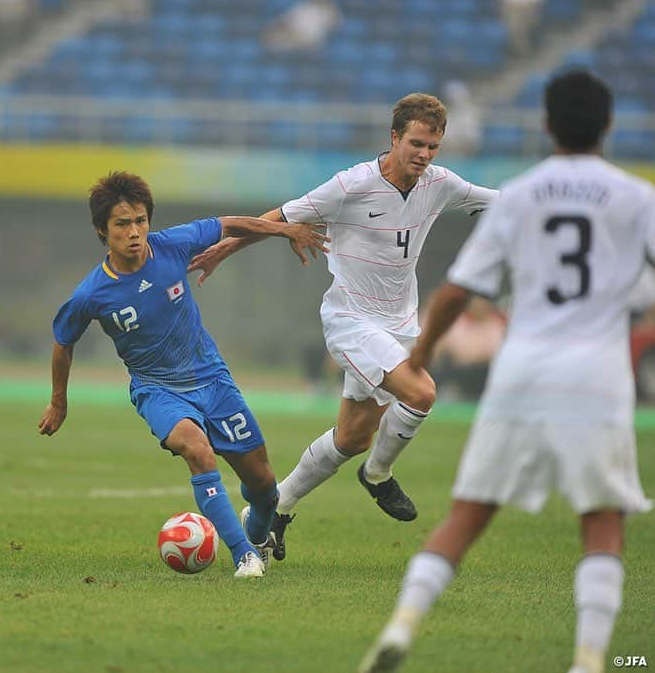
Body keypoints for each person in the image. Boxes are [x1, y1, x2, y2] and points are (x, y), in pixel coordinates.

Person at [358, 70, 653, 673]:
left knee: (468, 513)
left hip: (522, 371)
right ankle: (592, 659)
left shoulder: (522, 193)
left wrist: (420, 355)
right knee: (601, 521)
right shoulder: (636, 197)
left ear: (546, 125)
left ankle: (401, 627)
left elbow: (455, 293)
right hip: (596, 373)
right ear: (608, 126)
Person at [189, 93, 498, 560]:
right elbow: (280, 217)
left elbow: (505, 203)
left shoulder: (440, 184)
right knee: (422, 392)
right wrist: (224, 248)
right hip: (351, 321)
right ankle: (377, 476)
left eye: (433, 147)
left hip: (398, 326)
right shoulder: (351, 185)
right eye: (416, 143)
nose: (424, 154)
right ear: (394, 137)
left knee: (351, 437)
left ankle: (280, 509)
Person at [37, 171, 328, 578]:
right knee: (197, 449)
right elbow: (62, 342)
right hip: (157, 390)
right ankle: (244, 554)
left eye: (140, 220)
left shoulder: (172, 245)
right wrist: (58, 402)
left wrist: (285, 230)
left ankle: (257, 531)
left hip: (212, 379)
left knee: (264, 487)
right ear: (103, 231)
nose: (134, 231)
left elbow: (227, 224)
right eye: (122, 224)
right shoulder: (92, 294)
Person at [262, 0, 340, 53]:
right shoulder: (302, 9)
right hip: (295, 46)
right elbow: (279, 25)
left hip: (311, 49)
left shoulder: (332, 14)